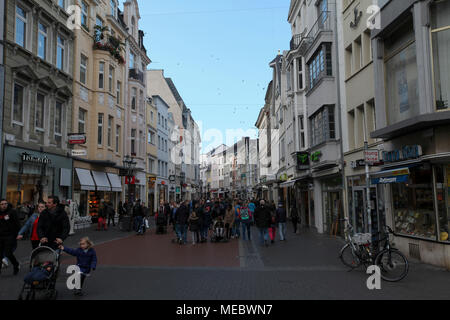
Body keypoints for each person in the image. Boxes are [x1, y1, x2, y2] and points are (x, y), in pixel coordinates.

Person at [0, 199, 21, 275]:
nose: (4, 205)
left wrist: (17, 234)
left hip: (10, 236)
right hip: (1, 236)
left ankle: (16, 265)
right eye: (2, 204)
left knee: (8, 253)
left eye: (5, 203)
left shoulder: (12, 212)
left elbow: (17, 224)